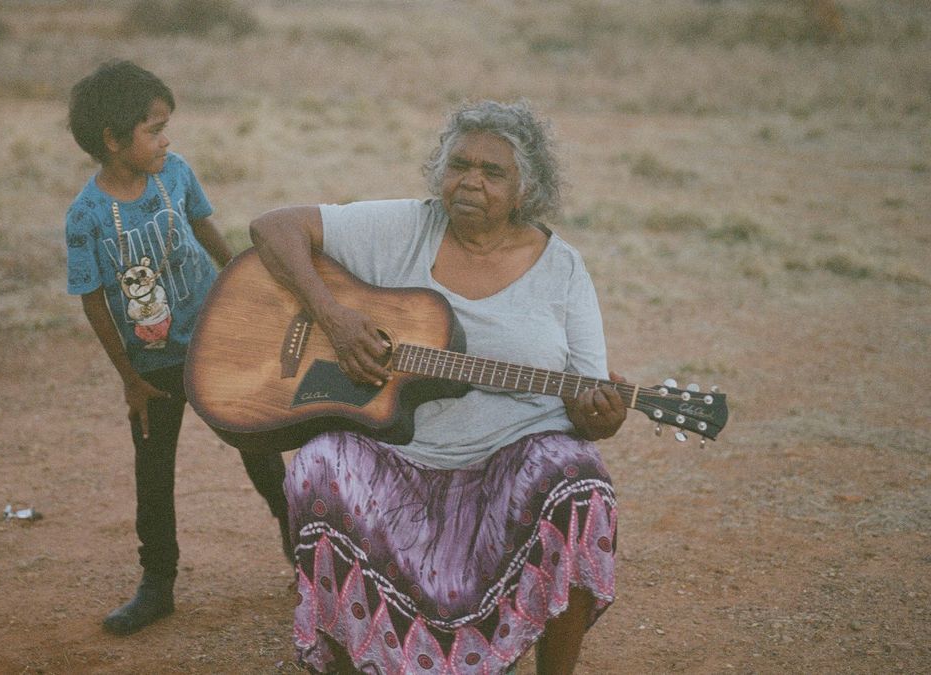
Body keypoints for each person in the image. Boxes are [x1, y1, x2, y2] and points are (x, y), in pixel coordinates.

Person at [248, 100, 626, 673]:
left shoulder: (564, 270)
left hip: (508, 467)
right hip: (394, 454)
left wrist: (605, 414)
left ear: (526, 188)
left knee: (582, 479)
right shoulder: (405, 225)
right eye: (459, 164)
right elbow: (273, 228)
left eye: (493, 171)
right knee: (317, 464)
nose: (470, 181)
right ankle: (355, 659)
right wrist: (332, 317)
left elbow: (593, 413)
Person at [64, 60, 290, 637]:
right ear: (114, 140)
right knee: (154, 470)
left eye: (166, 126)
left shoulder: (178, 173)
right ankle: (157, 585)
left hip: (214, 339)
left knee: (258, 446)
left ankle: (306, 553)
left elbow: (205, 227)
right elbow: (92, 300)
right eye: (153, 129)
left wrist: (244, 284)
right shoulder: (86, 217)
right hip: (152, 365)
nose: (166, 139)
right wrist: (129, 379)